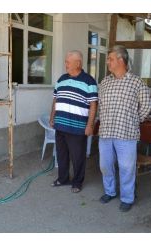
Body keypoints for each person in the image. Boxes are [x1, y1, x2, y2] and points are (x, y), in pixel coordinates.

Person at [98, 45, 151, 212]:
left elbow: (146, 106)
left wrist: (135, 120)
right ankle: (110, 191)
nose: (108, 62)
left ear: (121, 60)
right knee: (105, 165)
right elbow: (100, 104)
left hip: (126, 133)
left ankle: (127, 197)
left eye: (110, 59)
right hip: (106, 132)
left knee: (127, 168)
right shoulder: (105, 82)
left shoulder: (136, 82)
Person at [50, 50, 98, 193]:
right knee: (61, 154)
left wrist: (90, 125)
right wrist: (52, 117)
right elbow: (55, 100)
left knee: (78, 157)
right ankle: (63, 178)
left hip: (78, 127)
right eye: (66, 61)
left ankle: (77, 182)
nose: (65, 64)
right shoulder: (61, 79)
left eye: (68, 62)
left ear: (78, 63)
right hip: (61, 125)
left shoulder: (89, 81)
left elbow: (93, 105)